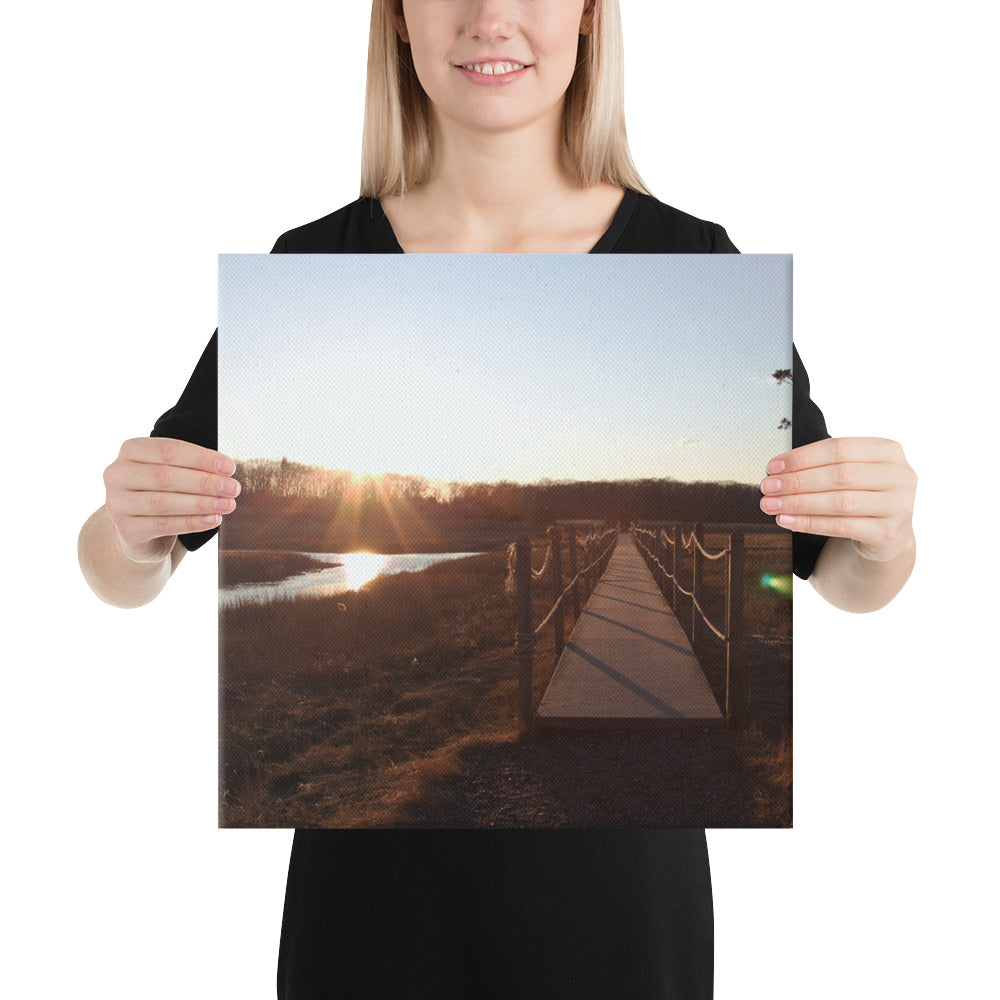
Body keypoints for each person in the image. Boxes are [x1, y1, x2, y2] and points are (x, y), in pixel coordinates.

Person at [77, 1, 917, 996]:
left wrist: (884, 531)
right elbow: (119, 569)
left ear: (591, 19)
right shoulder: (311, 268)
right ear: (396, 20)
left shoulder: (695, 264)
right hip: (367, 905)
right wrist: (130, 532)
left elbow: (847, 579)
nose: (491, 18)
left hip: (619, 903)